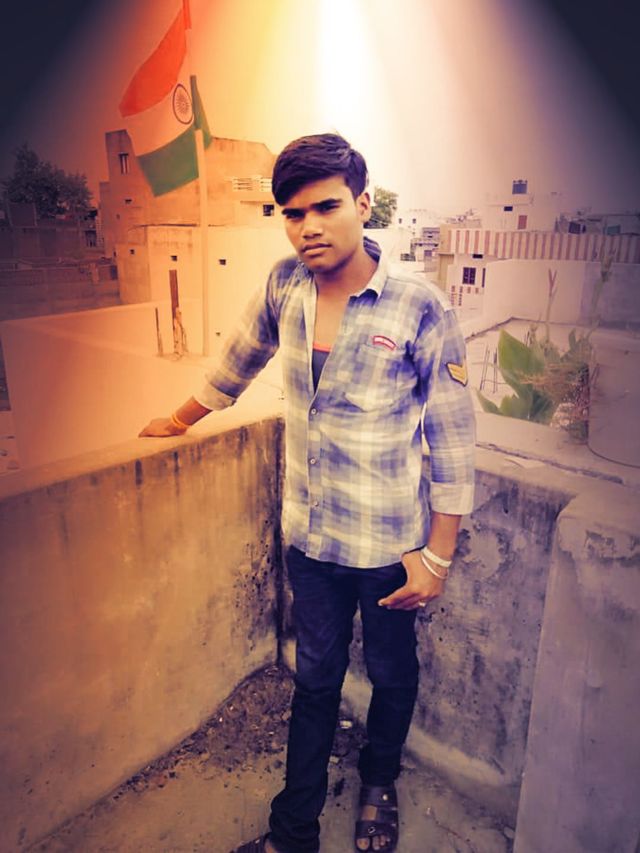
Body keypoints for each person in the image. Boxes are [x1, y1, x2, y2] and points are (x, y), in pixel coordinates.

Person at [140, 133, 475, 853]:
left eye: (325, 207)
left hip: (390, 548)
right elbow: (236, 363)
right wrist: (177, 419)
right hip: (313, 541)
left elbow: (451, 437)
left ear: (363, 203)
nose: (308, 227)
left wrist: (437, 558)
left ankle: (378, 783)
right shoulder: (283, 284)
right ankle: (293, 832)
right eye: (292, 214)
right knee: (315, 682)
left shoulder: (418, 304)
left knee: (390, 674)